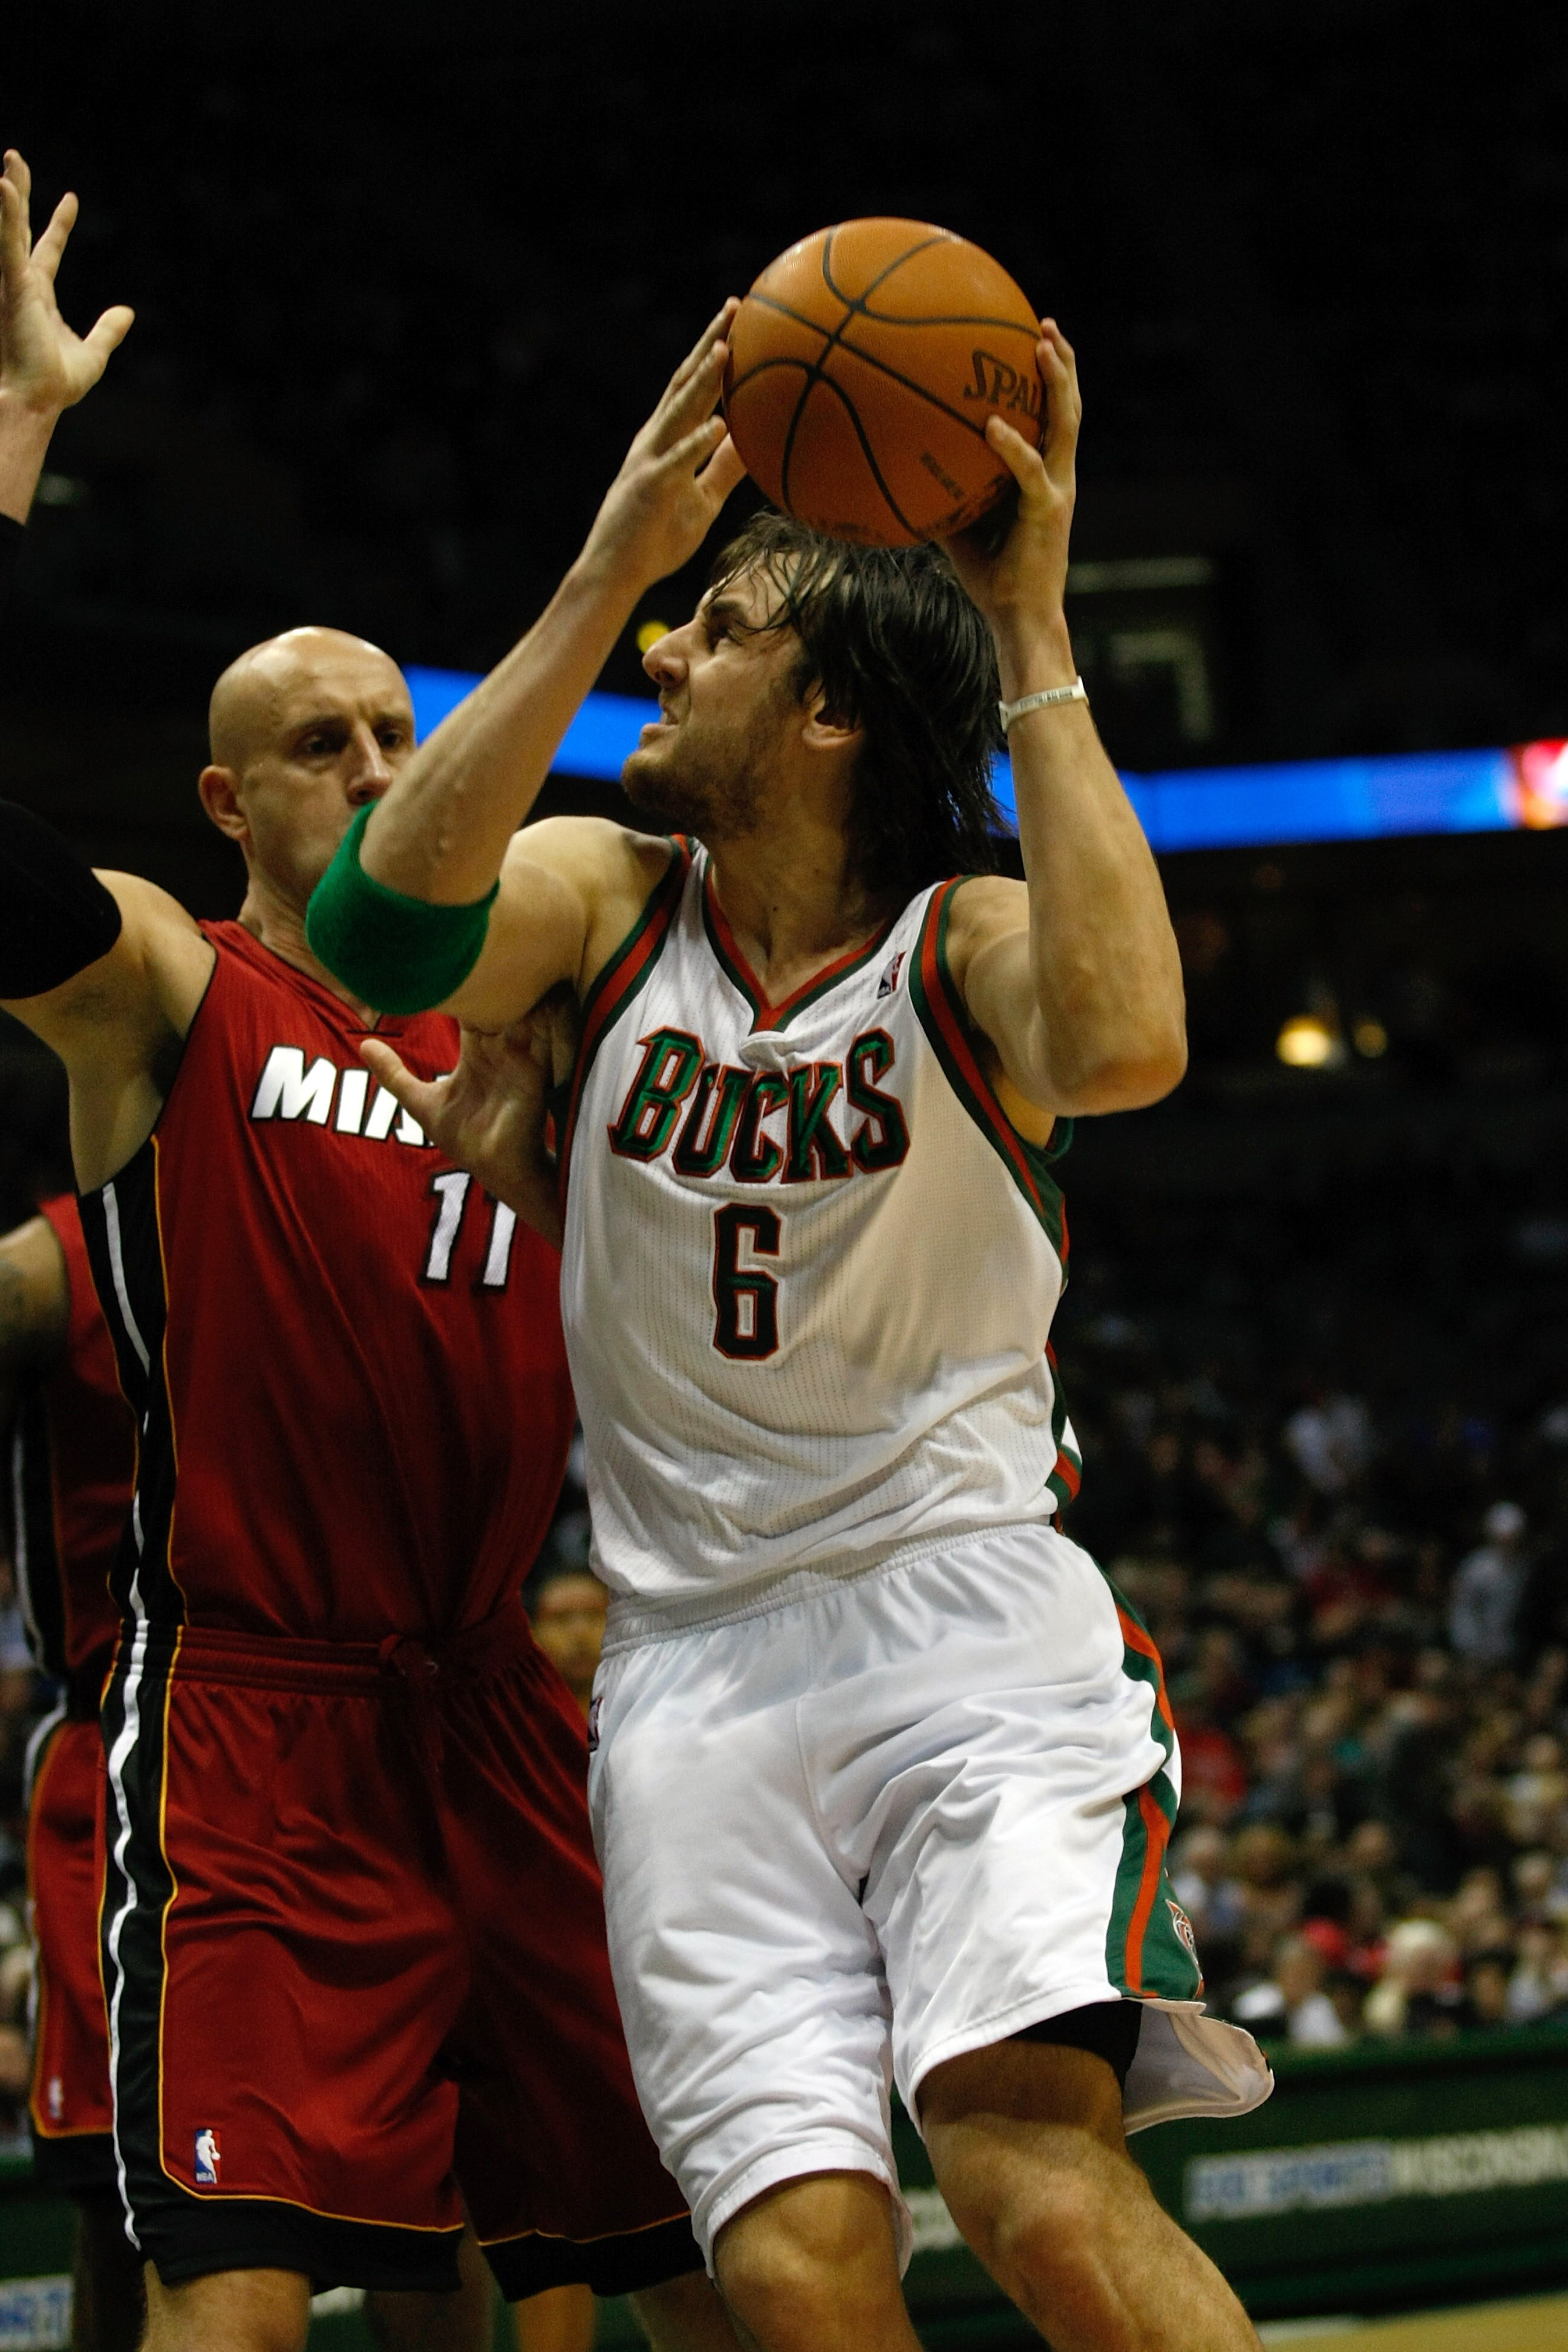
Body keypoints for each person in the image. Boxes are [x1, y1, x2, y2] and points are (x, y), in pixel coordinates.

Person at [310, 299, 1273, 2352]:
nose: (669, 653)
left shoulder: (967, 939)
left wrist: (1032, 630)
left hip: (959, 1621)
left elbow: (1129, 1039)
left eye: (719, 624)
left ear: (829, 708)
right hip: (690, 1675)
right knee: (788, 2268)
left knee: (1031, 2173)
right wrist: (607, 569)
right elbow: (378, 930)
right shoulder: (605, 894)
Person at [0, 148, 735, 2352]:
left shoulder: (539, 993)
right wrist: (11, 457)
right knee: (220, 2306)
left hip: (497, 1703)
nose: (373, 765)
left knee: (690, 2273)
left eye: (396, 736)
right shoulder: (171, 982)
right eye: (320, 747)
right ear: (228, 807)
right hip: (249, 1717)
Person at [1, 1197, 143, 2352]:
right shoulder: (59, 1259)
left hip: (354, 1723)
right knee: (119, 2192)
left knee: (421, 2167)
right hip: (123, 1741)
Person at [530, 1566, 610, 1722]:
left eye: (594, 1615)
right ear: (533, 1632)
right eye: (561, 1618)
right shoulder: (517, 1723)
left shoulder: (649, 1713)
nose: (580, 1633)